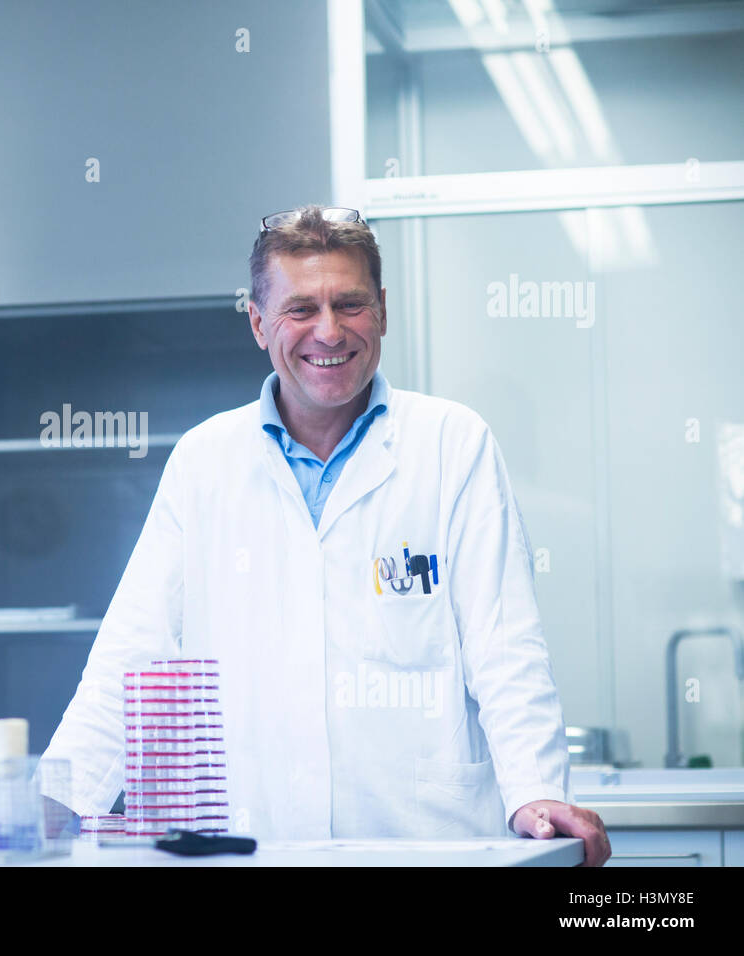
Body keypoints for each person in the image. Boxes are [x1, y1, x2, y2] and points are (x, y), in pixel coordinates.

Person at [41, 204, 611, 865]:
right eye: (301, 309)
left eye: (350, 304)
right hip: (261, 847)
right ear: (258, 322)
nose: (330, 331)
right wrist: (58, 805)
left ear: (384, 311)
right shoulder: (204, 462)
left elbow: (506, 651)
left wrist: (535, 793)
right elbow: (132, 658)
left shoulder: (454, 446)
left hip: (428, 845)